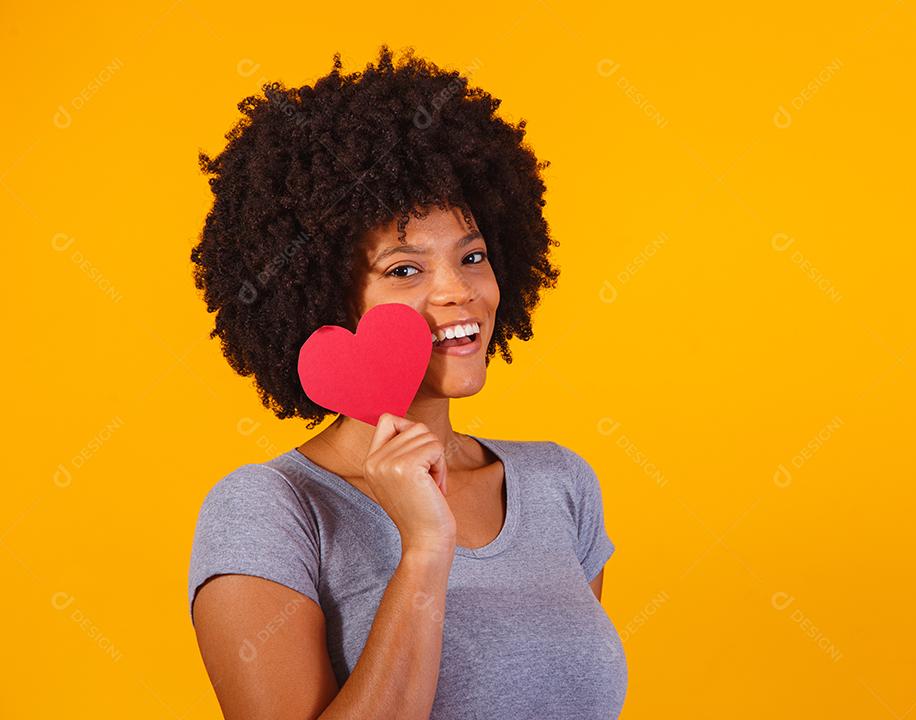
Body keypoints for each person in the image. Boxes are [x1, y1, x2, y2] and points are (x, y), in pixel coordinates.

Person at [187, 44, 627, 719]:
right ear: (326, 299)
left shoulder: (560, 487)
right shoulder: (272, 510)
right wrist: (424, 548)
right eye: (404, 270)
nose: (460, 292)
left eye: (472, 256)